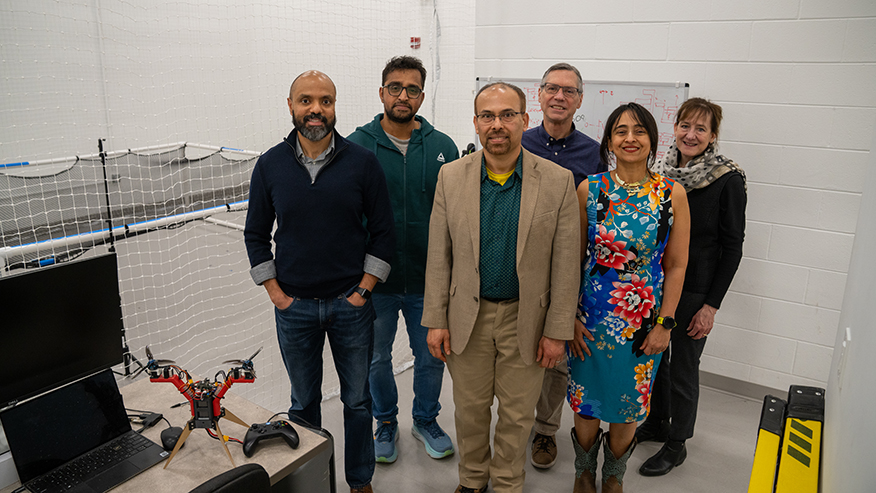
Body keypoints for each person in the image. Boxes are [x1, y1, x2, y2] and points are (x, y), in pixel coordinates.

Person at [423, 82, 580, 493]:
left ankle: (508, 483)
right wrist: (436, 319)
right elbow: (439, 255)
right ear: (476, 123)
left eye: (508, 115)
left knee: (517, 414)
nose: (497, 124)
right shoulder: (451, 176)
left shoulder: (558, 181)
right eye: (488, 116)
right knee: (470, 410)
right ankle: (473, 480)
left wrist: (557, 331)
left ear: (525, 120)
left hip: (526, 319)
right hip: (467, 317)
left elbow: (566, 265)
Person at [243, 70, 395, 493]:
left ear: (334, 106)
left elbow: (384, 233)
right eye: (306, 100)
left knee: (358, 401)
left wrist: (363, 291)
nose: (316, 109)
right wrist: (278, 295)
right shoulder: (270, 164)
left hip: (351, 306)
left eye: (325, 101)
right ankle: (310, 480)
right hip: (294, 309)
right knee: (303, 403)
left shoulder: (362, 162)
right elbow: (255, 235)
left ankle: (359, 480)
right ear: (291, 105)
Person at [567, 102, 690, 493]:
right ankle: (583, 471)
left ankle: (613, 476)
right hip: (589, 319)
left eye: (639, 131)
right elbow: (572, 260)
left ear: (653, 140)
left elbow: (676, 265)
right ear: (609, 141)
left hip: (642, 324)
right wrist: (568, 318)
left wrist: (665, 324)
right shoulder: (590, 189)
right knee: (586, 402)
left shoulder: (671, 194)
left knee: (627, 406)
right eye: (621, 131)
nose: (630, 138)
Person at [347, 55, 459, 463]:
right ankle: (386, 421)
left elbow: (457, 215)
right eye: (395, 88)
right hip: (373, 281)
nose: (403, 96)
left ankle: (426, 419)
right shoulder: (356, 146)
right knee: (376, 358)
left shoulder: (443, 147)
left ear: (421, 96)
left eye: (412, 89)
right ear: (382, 92)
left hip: (430, 280)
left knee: (431, 356)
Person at [637, 98, 747, 476]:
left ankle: (677, 443)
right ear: (675, 128)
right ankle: (656, 422)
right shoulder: (659, 172)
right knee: (655, 360)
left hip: (695, 289)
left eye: (701, 128)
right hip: (657, 283)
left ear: (713, 136)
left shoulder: (727, 179)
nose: (691, 134)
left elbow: (733, 247)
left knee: (684, 368)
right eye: (685, 126)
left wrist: (710, 306)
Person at [521, 62, 607, 470]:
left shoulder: (595, 153)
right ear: (538, 95)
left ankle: (545, 428)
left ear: (580, 100)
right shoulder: (517, 143)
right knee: (517, 349)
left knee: (556, 353)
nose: (559, 96)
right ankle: (515, 422)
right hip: (518, 268)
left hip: (568, 269)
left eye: (569, 91)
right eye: (552, 88)